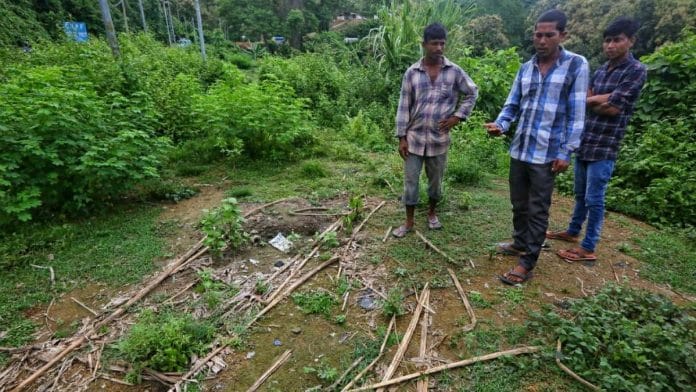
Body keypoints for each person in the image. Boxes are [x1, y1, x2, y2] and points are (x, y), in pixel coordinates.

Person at [484, 9, 589, 284]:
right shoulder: (526, 67)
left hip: (548, 154)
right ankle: (520, 242)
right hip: (521, 150)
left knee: (538, 208)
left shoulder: (576, 65)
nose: (541, 40)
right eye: (537, 34)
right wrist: (501, 125)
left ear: (562, 35)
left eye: (548, 35)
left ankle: (527, 262)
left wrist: (567, 151)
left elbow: (577, 113)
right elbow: (512, 105)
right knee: (519, 203)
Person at [547, 17, 647, 261]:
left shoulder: (636, 70)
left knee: (594, 198)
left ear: (630, 41)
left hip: (605, 145)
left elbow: (614, 108)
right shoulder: (602, 69)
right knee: (580, 194)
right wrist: (600, 99)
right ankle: (572, 232)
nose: (610, 45)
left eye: (617, 40)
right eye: (607, 41)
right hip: (586, 139)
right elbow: (587, 99)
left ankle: (588, 247)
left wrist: (593, 101)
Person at [392, 22, 478, 238]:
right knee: (411, 181)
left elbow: (472, 92)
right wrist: (402, 137)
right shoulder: (412, 72)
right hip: (414, 138)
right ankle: (409, 221)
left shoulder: (454, 71)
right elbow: (403, 105)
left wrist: (458, 116)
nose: (439, 48)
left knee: (435, 181)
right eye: (434, 43)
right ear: (424, 44)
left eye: (442, 43)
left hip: (439, 139)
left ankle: (431, 213)